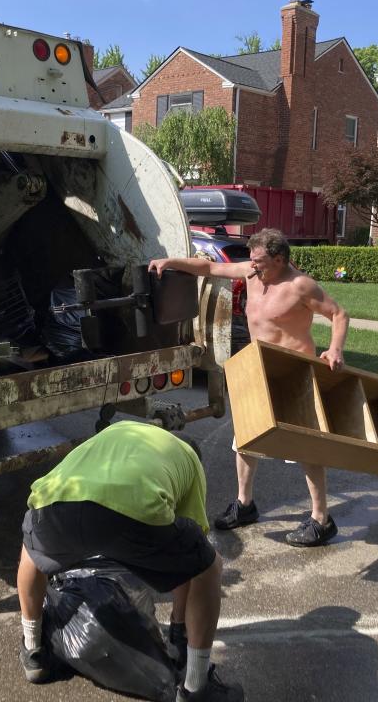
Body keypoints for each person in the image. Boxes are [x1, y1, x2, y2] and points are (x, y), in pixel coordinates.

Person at [17, 419, 244, 702]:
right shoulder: (189, 460)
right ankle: (196, 688)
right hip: (133, 513)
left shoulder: (120, 429)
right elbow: (192, 559)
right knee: (209, 568)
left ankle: (33, 650)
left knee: (30, 550)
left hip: (51, 502)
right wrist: (177, 628)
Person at [149, 228, 349, 547]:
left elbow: (338, 314)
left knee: (305, 447)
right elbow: (211, 268)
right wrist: (170, 261)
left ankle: (321, 519)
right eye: (251, 260)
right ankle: (244, 505)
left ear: (280, 259)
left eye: (260, 262)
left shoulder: (300, 285)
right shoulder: (253, 273)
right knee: (245, 439)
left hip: (293, 373)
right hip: (259, 369)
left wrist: (336, 348)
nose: (252, 267)